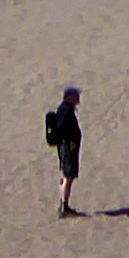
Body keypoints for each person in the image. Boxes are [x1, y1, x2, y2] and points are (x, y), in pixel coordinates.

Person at [45, 85, 84, 217]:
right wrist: (70, 140)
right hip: (67, 148)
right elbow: (62, 128)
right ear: (69, 97)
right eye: (76, 96)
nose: (78, 98)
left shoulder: (66, 109)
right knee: (68, 176)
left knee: (67, 176)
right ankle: (64, 206)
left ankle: (64, 204)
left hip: (67, 147)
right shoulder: (65, 110)